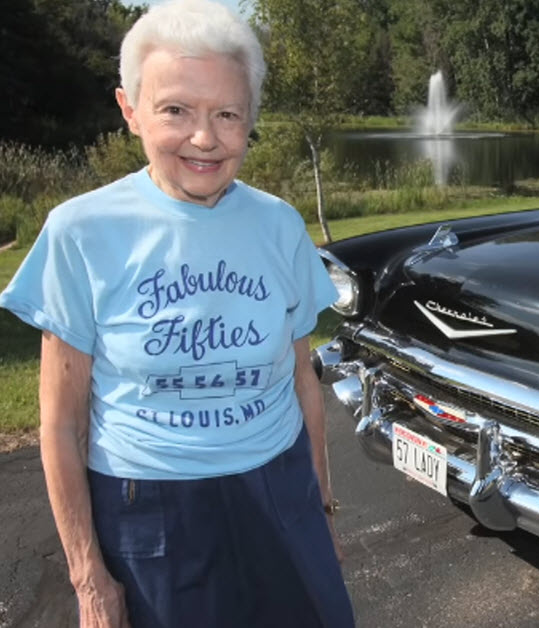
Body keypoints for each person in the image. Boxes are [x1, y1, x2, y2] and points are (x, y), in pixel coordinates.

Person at [0, 1, 354, 625]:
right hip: (152, 509)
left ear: (250, 120)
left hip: (279, 487)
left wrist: (320, 512)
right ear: (129, 109)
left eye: (227, 114)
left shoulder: (277, 224)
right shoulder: (81, 232)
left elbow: (304, 382)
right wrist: (89, 579)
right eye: (176, 111)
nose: (205, 138)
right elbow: (59, 424)